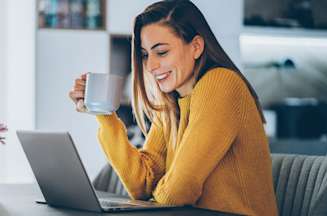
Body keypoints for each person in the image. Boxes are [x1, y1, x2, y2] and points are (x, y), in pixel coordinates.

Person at [69, 0, 278, 215]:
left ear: (196, 46)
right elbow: (141, 185)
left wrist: (156, 197)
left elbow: (178, 192)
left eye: (161, 52)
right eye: (145, 54)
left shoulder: (221, 83)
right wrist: (103, 113)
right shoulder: (172, 103)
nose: (150, 66)